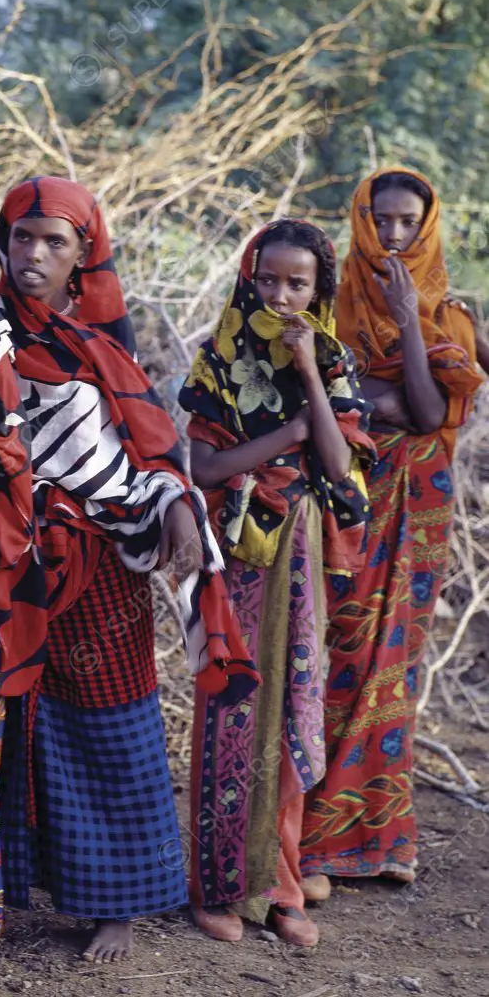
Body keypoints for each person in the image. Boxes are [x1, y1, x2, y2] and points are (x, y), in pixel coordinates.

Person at [0, 177, 250, 965]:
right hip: (4, 553)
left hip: (100, 565)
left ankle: (118, 904)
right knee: (2, 721)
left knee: (109, 720)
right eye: (21, 237)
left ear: (84, 257)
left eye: (55, 242)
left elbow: (151, 450)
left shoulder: (101, 349)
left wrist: (174, 502)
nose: (33, 254)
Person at [179, 218, 374, 947]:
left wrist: (309, 380)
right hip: (236, 547)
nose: (282, 296)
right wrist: (284, 436)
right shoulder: (220, 358)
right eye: (269, 280)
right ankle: (220, 886)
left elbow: (342, 467)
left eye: (298, 283)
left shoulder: (332, 359)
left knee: (294, 709)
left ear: (320, 289)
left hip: (301, 550)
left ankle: (283, 886)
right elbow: (204, 468)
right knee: (232, 709)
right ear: (248, 278)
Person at [299, 169, 484, 894]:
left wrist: (410, 321)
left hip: (421, 516)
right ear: (362, 221)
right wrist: (390, 397)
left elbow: (428, 411)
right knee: (338, 657)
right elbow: (350, 400)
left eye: (409, 222)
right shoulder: (328, 303)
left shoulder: (452, 318)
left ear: (429, 225)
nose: (395, 236)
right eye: (383, 221)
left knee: (394, 672)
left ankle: (384, 840)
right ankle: (314, 840)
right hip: (348, 505)